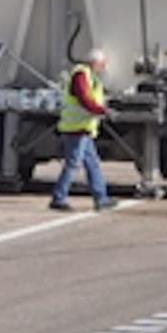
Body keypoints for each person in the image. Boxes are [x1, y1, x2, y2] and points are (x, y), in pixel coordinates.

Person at [52, 48, 116, 213]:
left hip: (84, 127)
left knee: (92, 163)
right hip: (76, 127)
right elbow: (84, 99)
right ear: (95, 63)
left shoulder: (89, 76)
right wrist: (102, 111)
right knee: (73, 163)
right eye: (102, 64)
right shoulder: (81, 75)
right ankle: (59, 198)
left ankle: (101, 198)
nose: (103, 68)